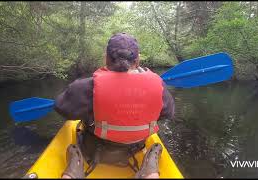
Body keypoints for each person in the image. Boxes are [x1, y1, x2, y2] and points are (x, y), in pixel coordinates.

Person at [54, 32, 175, 178]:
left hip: (95, 148)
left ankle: (74, 169)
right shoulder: (158, 85)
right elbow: (168, 113)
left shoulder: (87, 86)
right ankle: (150, 172)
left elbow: (62, 108)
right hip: (135, 148)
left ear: (106, 59)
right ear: (137, 61)